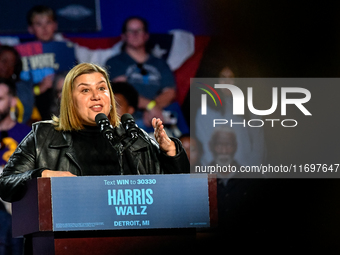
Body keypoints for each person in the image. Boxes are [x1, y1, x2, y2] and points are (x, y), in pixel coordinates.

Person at [0, 63, 190, 203]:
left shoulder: (134, 137)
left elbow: (175, 195)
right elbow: (6, 184)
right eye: (85, 90)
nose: (96, 96)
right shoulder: (43, 136)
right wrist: (42, 175)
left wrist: (171, 153)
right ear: (69, 100)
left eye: (102, 88)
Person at [105, 17, 177, 130]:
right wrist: (150, 106)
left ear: (146, 35)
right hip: (129, 121)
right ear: (123, 36)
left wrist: (153, 109)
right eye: (130, 31)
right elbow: (121, 94)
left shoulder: (159, 64)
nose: (135, 34)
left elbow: (169, 92)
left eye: (139, 30)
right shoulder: (115, 63)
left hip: (157, 118)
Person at [0, 45, 34, 124]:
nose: (7, 67)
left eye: (12, 64)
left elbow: (28, 115)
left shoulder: (23, 88)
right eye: (4, 61)